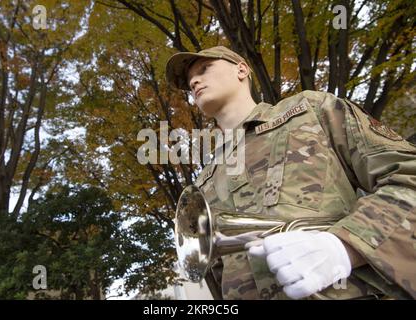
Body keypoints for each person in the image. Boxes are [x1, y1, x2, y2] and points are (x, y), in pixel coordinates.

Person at [165, 46, 416, 300]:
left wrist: (346, 246)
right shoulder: (204, 181)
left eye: (204, 69)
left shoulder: (311, 110)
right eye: (189, 81)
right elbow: (215, 270)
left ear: (241, 69)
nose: (194, 80)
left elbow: (408, 177)